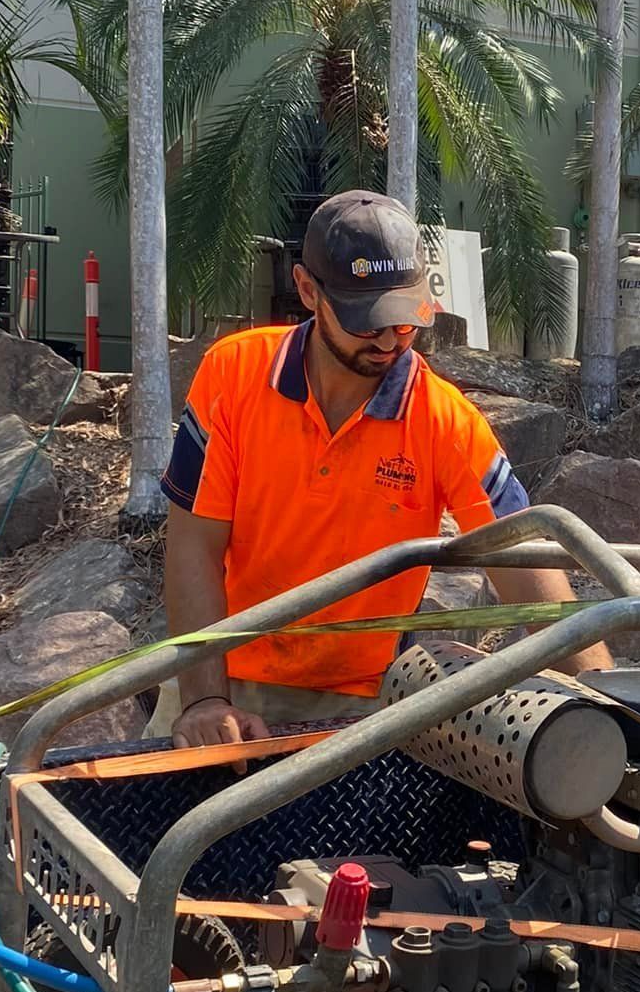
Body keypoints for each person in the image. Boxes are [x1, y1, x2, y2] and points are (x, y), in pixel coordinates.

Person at [155, 190, 610, 746]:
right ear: (307, 291)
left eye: (405, 319)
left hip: (362, 704)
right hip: (221, 677)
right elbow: (193, 545)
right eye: (367, 322)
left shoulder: (443, 420)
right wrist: (204, 699)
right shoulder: (234, 375)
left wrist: (613, 704)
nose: (391, 339)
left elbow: (524, 568)